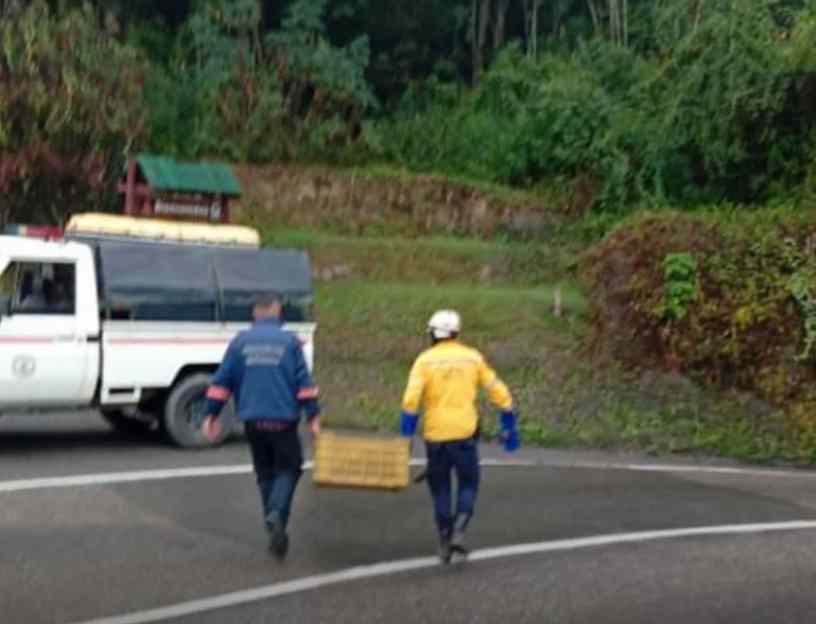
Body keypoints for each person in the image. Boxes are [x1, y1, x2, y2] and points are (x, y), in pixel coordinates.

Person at [202, 292, 321, 560]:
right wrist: (313, 417)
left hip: (253, 422)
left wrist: (210, 416)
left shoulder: (240, 343)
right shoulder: (290, 343)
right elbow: (304, 385)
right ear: (278, 311)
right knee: (289, 468)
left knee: (265, 472)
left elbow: (221, 383)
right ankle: (277, 514)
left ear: (254, 314)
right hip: (283, 422)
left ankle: (271, 519)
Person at [399, 309, 520, 564]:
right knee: (468, 483)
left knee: (440, 488)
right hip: (465, 434)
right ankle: (460, 529)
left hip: (436, 437)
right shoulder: (472, 358)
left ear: (433, 333)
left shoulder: (424, 360)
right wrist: (508, 422)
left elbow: (410, 400)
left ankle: (444, 538)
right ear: (456, 333)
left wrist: (406, 435)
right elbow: (498, 390)